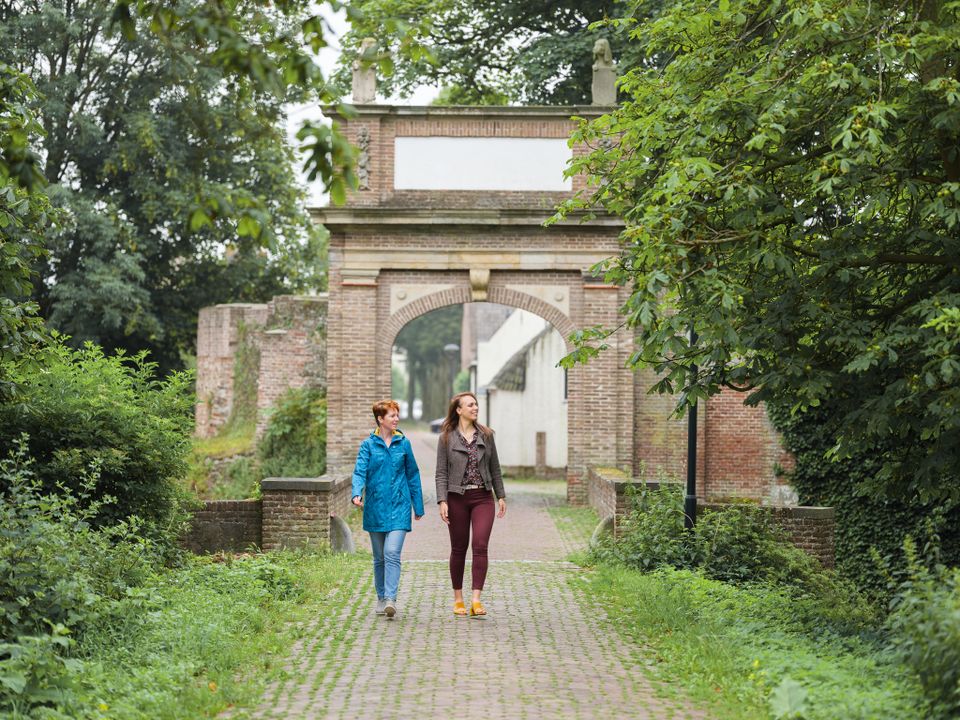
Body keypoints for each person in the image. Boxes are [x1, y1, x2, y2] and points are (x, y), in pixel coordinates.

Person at [435, 392, 506, 618]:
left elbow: (495, 468)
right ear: (459, 410)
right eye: (470, 405)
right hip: (456, 498)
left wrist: (501, 496)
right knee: (458, 548)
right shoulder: (446, 438)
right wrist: (442, 500)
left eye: (476, 404)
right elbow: (440, 473)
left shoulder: (486, 435)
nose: (475, 408)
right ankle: (458, 599)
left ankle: (476, 599)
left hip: (483, 497)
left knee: (480, 545)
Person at [352, 399, 425, 619]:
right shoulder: (368, 445)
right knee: (379, 558)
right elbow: (359, 471)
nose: (396, 419)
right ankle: (381, 596)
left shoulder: (404, 444)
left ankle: (391, 599)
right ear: (380, 419)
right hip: (375, 506)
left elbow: (413, 474)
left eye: (397, 415)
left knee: (392, 552)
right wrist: (357, 493)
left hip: (399, 506)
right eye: (392, 416)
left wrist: (417, 504)